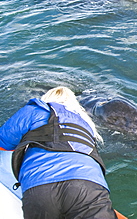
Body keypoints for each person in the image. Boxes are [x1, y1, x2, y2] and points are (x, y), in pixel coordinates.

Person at [0, 86, 123, 219]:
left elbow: (4, 141)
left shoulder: (38, 108)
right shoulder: (86, 123)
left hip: (40, 185)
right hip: (87, 184)